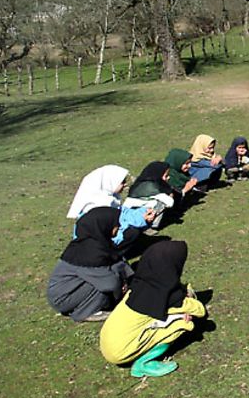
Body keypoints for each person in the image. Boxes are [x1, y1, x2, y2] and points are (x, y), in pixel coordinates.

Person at [99, 241, 207, 378]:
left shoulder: (138, 286)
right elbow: (199, 310)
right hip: (119, 351)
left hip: (108, 342)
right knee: (184, 324)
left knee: (167, 316)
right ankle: (143, 364)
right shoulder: (167, 296)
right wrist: (186, 302)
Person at [47, 207, 135, 323]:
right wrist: (121, 284)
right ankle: (85, 313)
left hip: (71, 290)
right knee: (103, 285)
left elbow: (117, 262)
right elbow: (110, 284)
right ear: (104, 225)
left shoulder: (95, 243)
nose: (118, 227)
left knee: (111, 272)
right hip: (64, 298)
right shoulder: (89, 253)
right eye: (115, 223)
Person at [121, 161, 176, 232]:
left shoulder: (140, 183)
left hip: (127, 212)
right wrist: (171, 195)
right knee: (162, 203)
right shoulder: (153, 187)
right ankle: (150, 226)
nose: (168, 178)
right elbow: (170, 203)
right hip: (139, 215)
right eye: (166, 176)